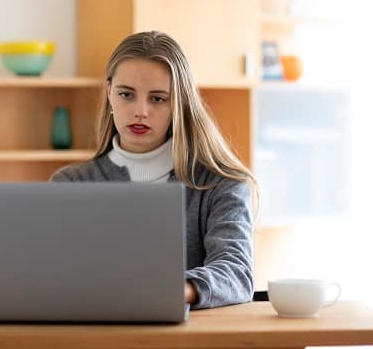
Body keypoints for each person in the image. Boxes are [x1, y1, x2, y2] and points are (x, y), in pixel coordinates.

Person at [51, 31, 260, 309]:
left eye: (158, 99)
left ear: (179, 104)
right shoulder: (70, 184)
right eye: (126, 94)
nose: (140, 111)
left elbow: (236, 272)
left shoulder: (221, 184)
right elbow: (53, 277)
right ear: (110, 92)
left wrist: (173, 290)